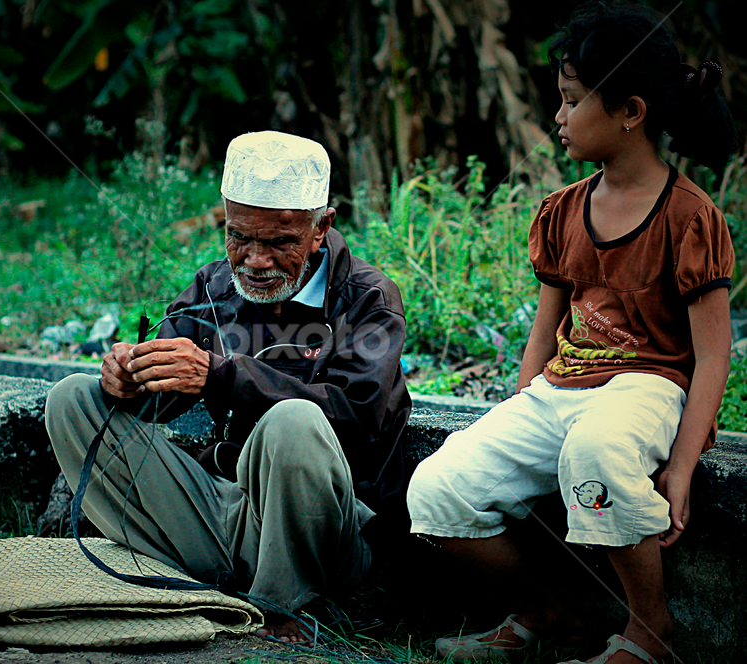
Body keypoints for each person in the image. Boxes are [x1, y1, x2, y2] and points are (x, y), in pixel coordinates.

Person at [407, 3, 735, 663]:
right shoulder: (562, 211)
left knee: (596, 450)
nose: (557, 117)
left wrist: (681, 464)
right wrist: (524, 405)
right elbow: (545, 326)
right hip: (561, 389)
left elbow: (712, 352)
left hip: (646, 387)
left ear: (630, 112)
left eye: (571, 101)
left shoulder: (689, 217)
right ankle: (546, 614)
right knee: (438, 488)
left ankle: (651, 632)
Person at [46, 130, 412, 643]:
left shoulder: (368, 297)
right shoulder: (215, 285)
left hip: (330, 532)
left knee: (293, 421)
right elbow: (163, 390)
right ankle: (215, 577)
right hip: (229, 514)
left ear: (321, 228)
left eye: (280, 242)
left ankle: (287, 604)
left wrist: (221, 374)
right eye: (239, 236)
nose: (255, 260)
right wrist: (128, 379)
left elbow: (358, 418)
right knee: (73, 398)